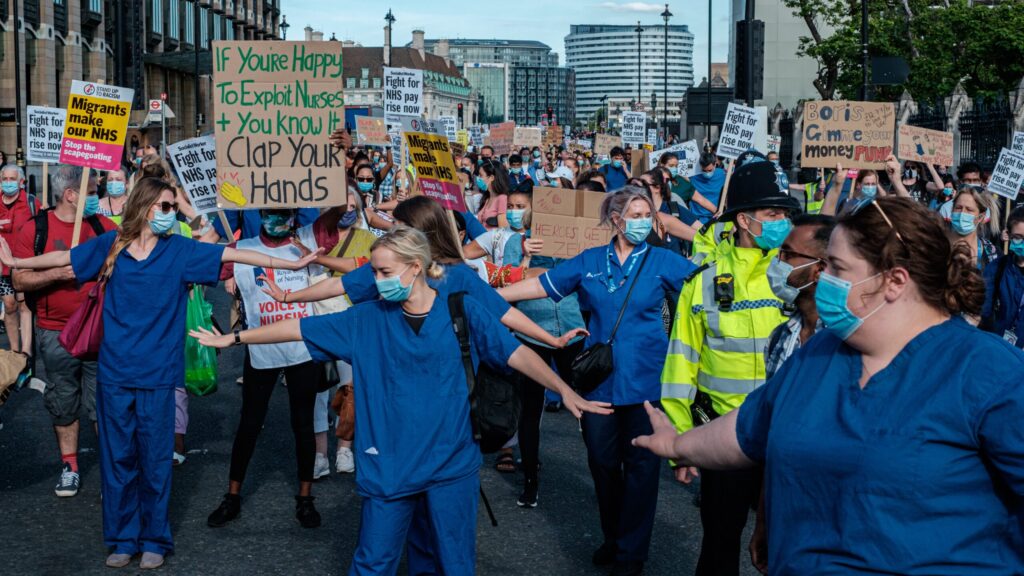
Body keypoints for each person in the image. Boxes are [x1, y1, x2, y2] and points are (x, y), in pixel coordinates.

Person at [635, 196, 1024, 575]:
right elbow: (749, 428)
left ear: (894, 281)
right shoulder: (820, 352)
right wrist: (677, 444)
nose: (824, 278)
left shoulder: (987, 371)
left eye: (837, 268)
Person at [191, 226, 611, 576]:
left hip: (451, 463)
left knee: (456, 564)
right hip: (389, 466)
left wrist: (565, 390)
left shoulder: (461, 309)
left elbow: (515, 353)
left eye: (384, 271)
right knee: (374, 562)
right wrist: (235, 336)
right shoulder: (366, 319)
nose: (376, 280)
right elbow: (298, 330)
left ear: (415, 268)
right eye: (374, 271)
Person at [0, 177, 321, 570]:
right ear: (146, 206)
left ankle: (154, 539)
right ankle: (121, 538)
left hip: (158, 376)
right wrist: (17, 263)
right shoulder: (112, 244)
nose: (172, 215)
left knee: (154, 462)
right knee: (117, 460)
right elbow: (65, 260)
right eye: (167, 207)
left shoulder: (180, 250)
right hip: (115, 374)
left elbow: (231, 256)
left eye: (173, 208)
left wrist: (289, 262)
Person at [499, 187, 698, 576]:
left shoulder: (662, 260)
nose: (644, 220)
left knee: (642, 470)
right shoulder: (590, 261)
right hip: (598, 385)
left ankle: (631, 555)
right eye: (636, 213)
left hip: (647, 385)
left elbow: (703, 289)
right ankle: (615, 536)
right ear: (617, 220)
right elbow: (543, 286)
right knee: (603, 464)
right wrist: (492, 295)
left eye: (649, 213)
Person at [660, 152, 800, 576]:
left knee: (790, 547)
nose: (782, 222)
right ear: (743, 219)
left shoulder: (800, 276)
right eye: (772, 213)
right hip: (728, 437)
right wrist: (680, 444)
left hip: (789, 436)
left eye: (785, 214)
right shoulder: (703, 282)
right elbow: (681, 364)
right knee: (720, 544)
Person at [206, 208, 326, 530]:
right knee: (249, 423)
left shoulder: (305, 244)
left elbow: (334, 227)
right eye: (272, 213)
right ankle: (232, 495)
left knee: (303, 424)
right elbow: (203, 264)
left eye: (284, 214)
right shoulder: (241, 248)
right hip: (260, 348)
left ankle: (305, 498)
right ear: (260, 214)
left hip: (303, 348)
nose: (278, 219)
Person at [11, 164, 116, 497]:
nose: (96, 197)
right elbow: (19, 279)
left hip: (99, 330)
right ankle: (69, 465)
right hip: (55, 332)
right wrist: (59, 274)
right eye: (92, 191)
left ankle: (112, 471)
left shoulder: (103, 227)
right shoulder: (35, 229)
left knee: (104, 401)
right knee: (63, 399)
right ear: (71, 194)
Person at [747, 213, 833, 573]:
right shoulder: (782, 337)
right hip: (785, 502)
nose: (776, 263)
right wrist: (764, 519)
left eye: (787, 254)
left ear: (818, 269)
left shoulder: (847, 342)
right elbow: (775, 437)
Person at [0, 164, 39, 355]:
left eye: (12, 179)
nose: (8, 183)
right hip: (2, 267)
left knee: (25, 305)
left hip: (24, 264)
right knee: (9, 305)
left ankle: (26, 352)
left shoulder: (31, 202)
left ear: (21, 181)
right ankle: (14, 351)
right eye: (4, 179)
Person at [982, 206, 1024, 347]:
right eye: (1018, 238)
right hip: (997, 347)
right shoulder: (997, 268)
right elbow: (983, 312)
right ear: (1009, 235)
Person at [948, 186, 999, 272]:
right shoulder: (938, 245)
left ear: (981, 217)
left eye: (969, 210)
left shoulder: (991, 253)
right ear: (952, 210)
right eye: (958, 208)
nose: (962, 213)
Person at [689, 153, 727, 224]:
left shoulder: (723, 174)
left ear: (715, 164)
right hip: (697, 218)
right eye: (704, 170)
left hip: (716, 217)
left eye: (710, 170)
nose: (707, 173)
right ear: (700, 166)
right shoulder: (693, 176)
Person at [475, 161, 510, 230]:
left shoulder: (502, 198)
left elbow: (502, 229)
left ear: (491, 178)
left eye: (481, 175)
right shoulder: (487, 198)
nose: (478, 178)